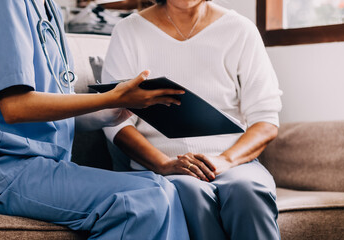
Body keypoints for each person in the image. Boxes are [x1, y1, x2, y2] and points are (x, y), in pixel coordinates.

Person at [0, 0, 191, 239]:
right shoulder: (3, 4)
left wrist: (110, 113)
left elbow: (50, 110)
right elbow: (15, 107)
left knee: (164, 189)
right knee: (146, 199)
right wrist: (111, 97)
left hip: (36, 165)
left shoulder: (48, 8)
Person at [101, 0, 282, 239]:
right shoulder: (128, 31)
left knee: (247, 190)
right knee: (188, 190)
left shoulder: (240, 29)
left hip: (234, 162)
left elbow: (266, 119)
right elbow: (116, 122)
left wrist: (225, 160)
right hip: (161, 167)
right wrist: (165, 165)